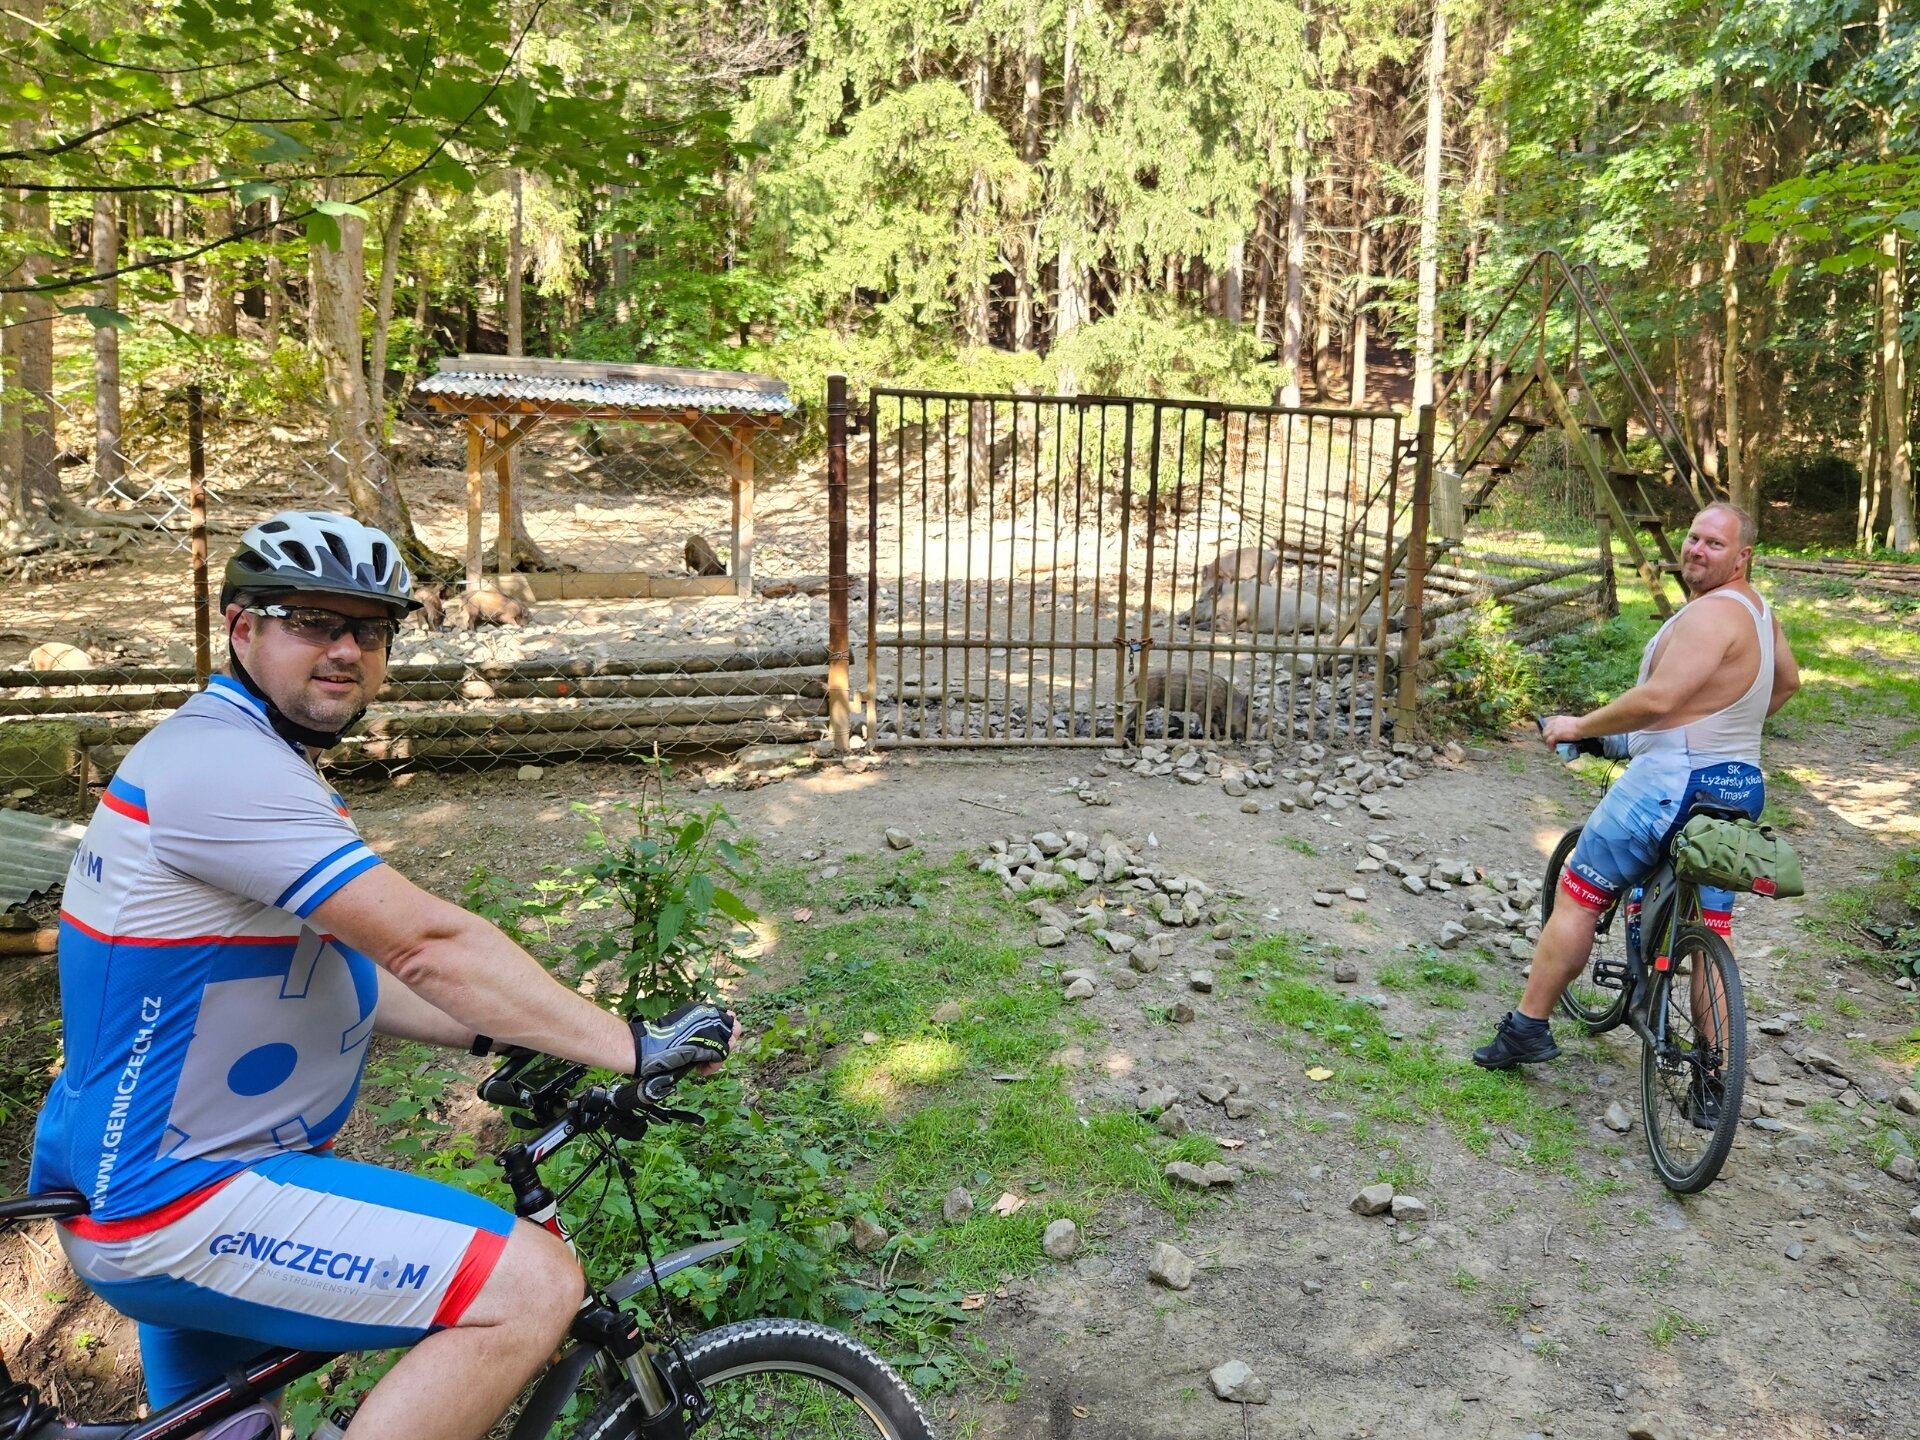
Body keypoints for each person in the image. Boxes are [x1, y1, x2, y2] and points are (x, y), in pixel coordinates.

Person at [29, 511, 738, 1440]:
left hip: (162, 1179)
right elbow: (426, 946)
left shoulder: (235, 753)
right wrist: (630, 1045)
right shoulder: (223, 770)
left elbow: (333, 968)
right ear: (241, 628)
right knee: (533, 1285)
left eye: (369, 630)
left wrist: (500, 1032)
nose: (346, 649)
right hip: (183, 1197)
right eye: (312, 622)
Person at [1472, 502, 1800, 1108]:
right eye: (1693, 537)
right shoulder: (1759, 611)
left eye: (1715, 543)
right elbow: (1786, 684)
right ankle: (1712, 1084)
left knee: (1580, 892)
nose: (1697, 549)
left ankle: (1526, 1028)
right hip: (1738, 786)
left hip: (1669, 785)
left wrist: (1579, 726)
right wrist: (1720, 728)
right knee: (1711, 927)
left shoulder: (1712, 614)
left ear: (1743, 556)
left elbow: (1657, 700)